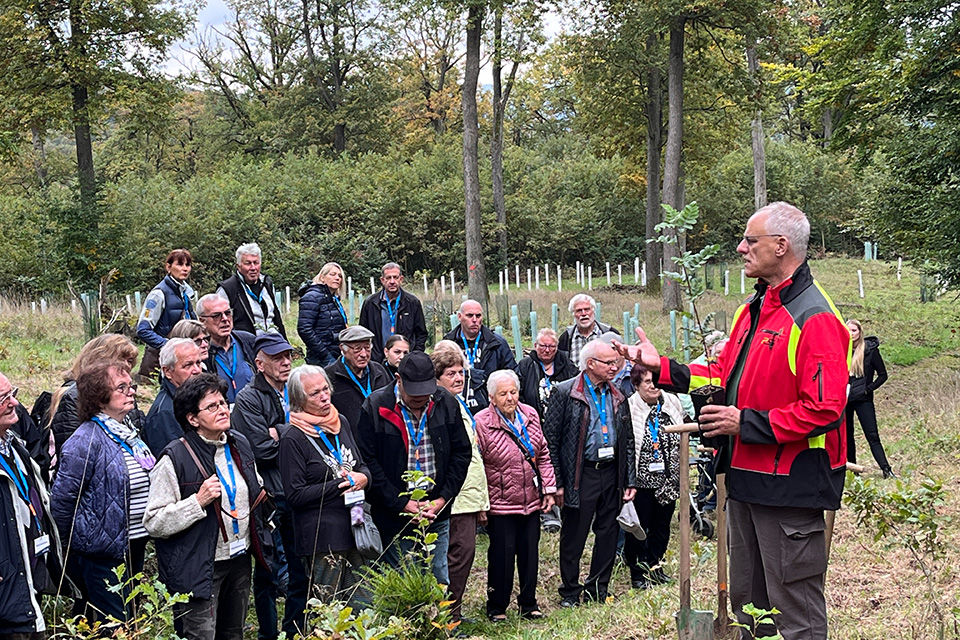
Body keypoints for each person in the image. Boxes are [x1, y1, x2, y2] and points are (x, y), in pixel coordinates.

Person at [615, 202, 850, 640]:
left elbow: (826, 408)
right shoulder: (754, 309)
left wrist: (748, 425)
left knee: (796, 613)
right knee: (749, 607)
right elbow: (721, 376)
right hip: (744, 480)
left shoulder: (815, 318)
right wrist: (661, 368)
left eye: (750, 240)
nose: (741, 248)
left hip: (790, 487)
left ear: (781, 247)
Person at [143, 374, 272, 640]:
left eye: (223, 403)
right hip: (199, 565)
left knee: (233, 633)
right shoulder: (174, 457)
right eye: (212, 406)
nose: (223, 409)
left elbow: (252, 488)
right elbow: (154, 522)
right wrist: (197, 502)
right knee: (201, 636)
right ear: (192, 419)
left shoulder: (239, 444)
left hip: (239, 558)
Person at [51, 359, 155, 622]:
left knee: (130, 619)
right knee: (114, 624)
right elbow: (62, 504)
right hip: (101, 555)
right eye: (121, 387)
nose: (131, 392)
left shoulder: (128, 431)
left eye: (131, 386)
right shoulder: (84, 441)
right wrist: (69, 555)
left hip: (133, 544)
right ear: (99, 397)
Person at [356, 351, 472, 584]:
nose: (420, 398)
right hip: (394, 511)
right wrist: (402, 504)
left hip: (435, 509)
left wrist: (443, 499)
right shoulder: (376, 406)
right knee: (403, 579)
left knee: (438, 576)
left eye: (425, 391)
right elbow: (369, 462)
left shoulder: (445, 402)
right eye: (414, 392)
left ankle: (438, 619)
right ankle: (407, 621)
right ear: (398, 379)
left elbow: (462, 453)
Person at [544, 339, 636, 607]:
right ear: (590, 364)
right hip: (580, 474)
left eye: (615, 362)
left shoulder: (619, 394)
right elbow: (551, 440)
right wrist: (557, 482)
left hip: (611, 473)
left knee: (608, 532)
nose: (614, 366)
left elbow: (627, 440)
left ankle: (598, 587)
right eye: (608, 362)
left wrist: (629, 478)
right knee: (574, 534)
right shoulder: (565, 392)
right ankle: (570, 591)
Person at [230, 333, 306, 640]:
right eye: (277, 358)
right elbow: (261, 449)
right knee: (267, 572)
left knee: (299, 568)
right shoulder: (249, 399)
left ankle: (295, 629)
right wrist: (295, 435)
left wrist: (282, 432)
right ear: (260, 364)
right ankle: (268, 633)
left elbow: (314, 434)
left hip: (298, 492)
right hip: (270, 497)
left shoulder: (295, 389)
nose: (285, 362)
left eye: (288, 355)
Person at [280, 366, 372, 610]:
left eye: (325, 390)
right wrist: (338, 485)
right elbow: (295, 495)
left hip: (356, 526)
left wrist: (363, 478)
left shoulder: (339, 421)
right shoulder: (293, 437)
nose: (324, 397)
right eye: (314, 393)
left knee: (363, 605)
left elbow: (361, 466)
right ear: (299, 400)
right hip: (322, 537)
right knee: (329, 611)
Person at [475, 370, 556, 622]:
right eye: (503, 394)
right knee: (502, 555)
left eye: (513, 392)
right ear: (491, 397)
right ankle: (497, 606)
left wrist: (549, 489)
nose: (510, 398)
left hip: (530, 499)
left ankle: (529, 603)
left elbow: (542, 454)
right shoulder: (482, 422)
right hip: (500, 502)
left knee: (530, 553)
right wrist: (481, 503)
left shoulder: (530, 414)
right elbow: (477, 465)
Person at [0, 372, 66, 638]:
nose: (14, 403)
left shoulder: (13, 445)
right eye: (3, 398)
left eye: (12, 393)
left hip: (26, 575)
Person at [430, 343, 489, 622]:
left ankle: (454, 611)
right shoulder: (439, 404)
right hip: (453, 498)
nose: (458, 378)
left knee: (463, 557)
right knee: (453, 558)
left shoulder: (458, 402)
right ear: (437, 377)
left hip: (469, 497)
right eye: (451, 373)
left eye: (460, 372)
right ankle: (447, 616)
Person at [624, 368, 685, 589]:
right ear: (637, 385)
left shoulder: (671, 402)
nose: (653, 386)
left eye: (656, 381)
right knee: (640, 528)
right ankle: (638, 572)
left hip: (669, 478)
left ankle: (656, 566)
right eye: (648, 382)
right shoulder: (630, 406)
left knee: (662, 526)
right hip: (642, 481)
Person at [47, 334, 143, 467]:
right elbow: (75, 459)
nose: (126, 365)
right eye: (121, 360)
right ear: (99, 361)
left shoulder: (127, 394)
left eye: (130, 360)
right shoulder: (74, 397)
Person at [442, 299, 518, 412]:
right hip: (457, 404)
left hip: (490, 405)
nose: (474, 320)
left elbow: (512, 373)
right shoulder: (448, 344)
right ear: (459, 317)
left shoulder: (497, 343)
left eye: (478, 316)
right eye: (469, 316)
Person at [136, 249, 197, 380]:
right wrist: (168, 345)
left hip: (183, 361)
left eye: (187, 265)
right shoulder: (158, 294)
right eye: (180, 264)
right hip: (158, 362)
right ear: (168, 267)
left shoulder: (186, 293)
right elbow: (142, 330)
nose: (185, 269)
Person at [846, 319, 893, 478]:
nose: (851, 334)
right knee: (848, 436)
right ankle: (854, 473)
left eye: (854, 330)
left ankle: (886, 469)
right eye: (849, 330)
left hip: (863, 399)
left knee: (872, 435)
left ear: (860, 332)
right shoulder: (841, 350)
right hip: (844, 400)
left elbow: (883, 375)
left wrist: (868, 389)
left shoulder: (869, 350)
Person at [143, 338, 204, 455]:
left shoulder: (192, 398)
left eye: (198, 363)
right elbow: (173, 460)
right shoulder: (164, 413)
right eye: (188, 365)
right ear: (168, 372)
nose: (197, 370)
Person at [325, 326, 392, 432]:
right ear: (343, 349)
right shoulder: (330, 376)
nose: (364, 354)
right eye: (357, 349)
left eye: (367, 347)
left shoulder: (379, 371)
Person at [359, 262, 428, 361]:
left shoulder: (412, 303)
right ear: (382, 280)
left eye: (395, 277)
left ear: (401, 279)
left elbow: (421, 333)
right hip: (377, 360)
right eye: (388, 278)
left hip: (405, 359)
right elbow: (363, 333)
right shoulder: (370, 303)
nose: (392, 281)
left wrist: (414, 356)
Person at [217, 243, 288, 338]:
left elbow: (276, 317)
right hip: (246, 343)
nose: (253, 268)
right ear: (238, 266)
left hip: (273, 340)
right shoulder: (227, 288)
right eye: (248, 263)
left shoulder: (267, 283)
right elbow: (219, 322)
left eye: (256, 263)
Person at [198, 293, 257, 405]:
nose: (225, 319)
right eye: (216, 316)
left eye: (227, 313)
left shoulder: (248, 341)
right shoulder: (200, 353)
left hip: (252, 414)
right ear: (202, 321)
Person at [517, 328, 579, 420]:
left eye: (551, 346)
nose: (547, 350)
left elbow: (577, 384)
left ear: (557, 347)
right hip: (533, 420)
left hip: (563, 421)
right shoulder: (525, 365)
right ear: (535, 345)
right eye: (543, 346)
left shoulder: (566, 363)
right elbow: (518, 393)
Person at [297, 263, 348, 366]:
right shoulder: (312, 297)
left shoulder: (333, 299)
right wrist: (325, 355)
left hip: (336, 353)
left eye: (340, 276)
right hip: (320, 357)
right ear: (322, 277)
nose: (337, 278)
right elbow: (304, 329)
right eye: (332, 274)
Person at [557, 294, 619, 367]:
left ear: (593, 311)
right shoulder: (566, 338)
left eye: (587, 309)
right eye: (579, 311)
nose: (583, 314)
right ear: (573, 314)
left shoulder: (609, 333)